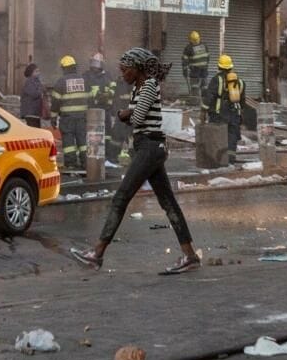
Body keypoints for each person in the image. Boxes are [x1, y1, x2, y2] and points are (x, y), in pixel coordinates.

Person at [70, 48, 200, 275]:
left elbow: (137, 117)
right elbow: (135, 117)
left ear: (137, 68)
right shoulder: (140, 88)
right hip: (147, 146)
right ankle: (190, 256)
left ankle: (97, 254)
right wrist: (128, 113)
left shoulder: (149, 85)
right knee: (168, 202)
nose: (122, 75)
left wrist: (123, 114)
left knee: (121, 197)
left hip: (150, 147)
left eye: (125, 70)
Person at [203, 54, 246, 162]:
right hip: (235, 113)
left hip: (219, 113)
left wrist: (203, 111)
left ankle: (218, 159)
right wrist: (240, 115)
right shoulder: (240, 82)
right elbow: (243, 101)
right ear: (231, 67)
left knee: (218, 136)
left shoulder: (216, 80)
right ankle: (231, 158)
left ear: (219, 67)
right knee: (232, 137)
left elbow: (209, 96)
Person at [50, 55, 89, 170]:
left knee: (68, 141)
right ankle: (85, 162)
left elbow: (55, 102)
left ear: (64, 68)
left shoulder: (61, 82)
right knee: (82, 140)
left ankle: (71, 163)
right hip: (82, 117)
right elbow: (90, 98)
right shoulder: (83, 80)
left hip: (67, 118)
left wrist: (53, 118)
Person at [84, 52, 119, 165]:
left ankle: (107, 157)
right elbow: (86, 92)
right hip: (93, 110)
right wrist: (96, 94)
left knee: (107, 134)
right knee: (94, 135)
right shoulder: (86, 76)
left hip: (106, 110)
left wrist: (107, 94)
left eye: (97, 63)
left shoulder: (107, 75)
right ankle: (94, 157)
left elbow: (113, 88)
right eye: (94, 63)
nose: (96, 66)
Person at [182, 30, 210, 103]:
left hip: (195, 70)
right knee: (204, 86)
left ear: (190, 40)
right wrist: (206, 66)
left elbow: (185, 61)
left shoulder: (189, 48)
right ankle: (205, 102)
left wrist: (185, 71)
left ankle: (194, 102)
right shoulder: (204, 45)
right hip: (204, 69)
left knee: (195, 86)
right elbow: (208, 57)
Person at [20, 63, 45, 128]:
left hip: (35, 113)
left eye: (39, 71)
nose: (38, 73)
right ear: (31, 72)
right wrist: (41, 90)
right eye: (36, 71)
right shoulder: (29, 82)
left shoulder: (36, 81)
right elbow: (34, 94)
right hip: (30, 113)